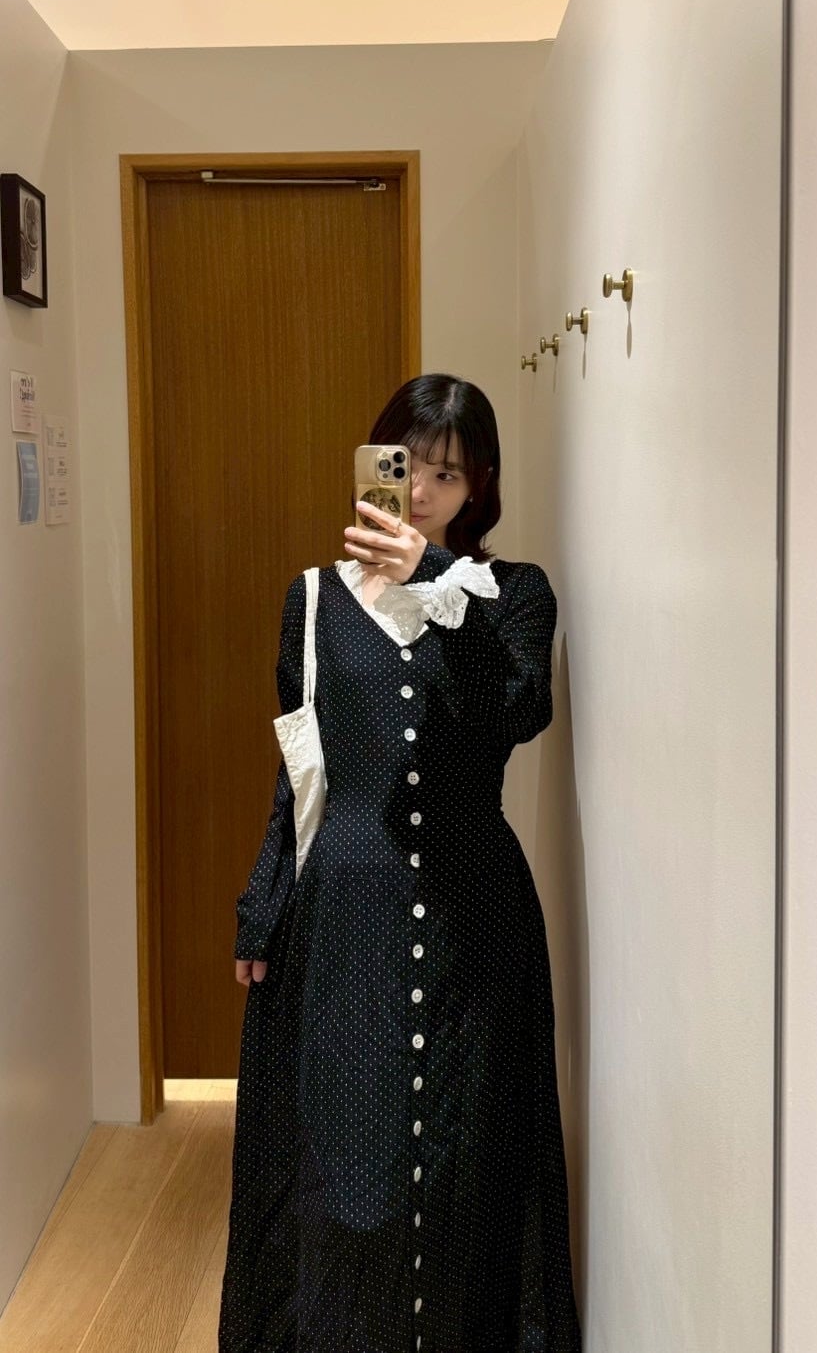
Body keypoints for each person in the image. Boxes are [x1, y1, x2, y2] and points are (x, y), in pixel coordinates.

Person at [218, 373, 582, 1353]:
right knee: (349, 1156)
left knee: (465, 1155)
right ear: (373, 463)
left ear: (480, 486)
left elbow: (518, 711)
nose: (420, 490)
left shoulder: (512, 595)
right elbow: (301, 771)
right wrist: (263, 905)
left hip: (476, 910)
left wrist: (434, 583)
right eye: (404, 465)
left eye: (446, 474)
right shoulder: (311, 602)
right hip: (347, 905)